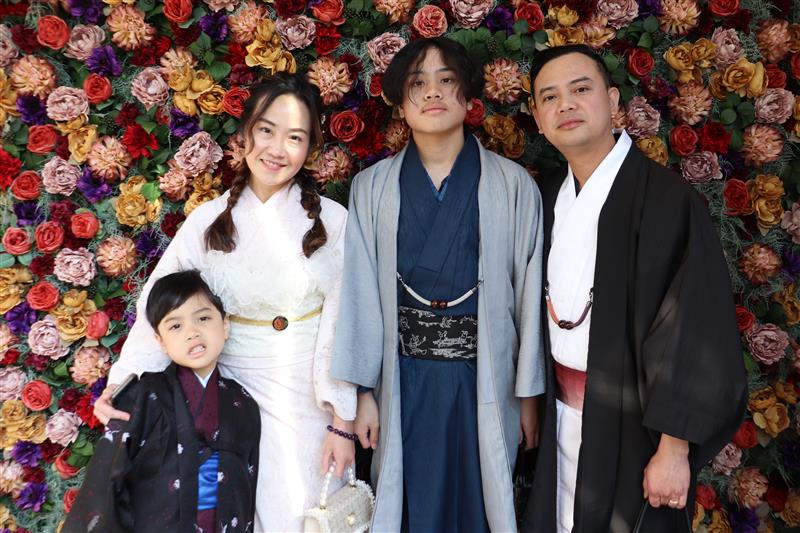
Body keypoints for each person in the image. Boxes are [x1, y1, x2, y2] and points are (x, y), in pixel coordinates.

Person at [93, 73, 357, 531]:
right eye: (266, 130)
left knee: (305, 515)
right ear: (246, 132)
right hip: (225, 391)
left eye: (295, 137)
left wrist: (342, 420)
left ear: (311, 147)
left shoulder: (333, 221)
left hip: (306, 394)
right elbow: (160, 306)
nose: (277, 149)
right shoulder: (207, 220)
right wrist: (123, 383)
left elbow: (347, 323)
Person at [521, 44, 747, 533]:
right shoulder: (543, 198)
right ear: (537, 119)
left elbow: (695, 329)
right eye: (549, 97)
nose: (566, 105)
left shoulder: (668, 202)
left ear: (612, 100)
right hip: (560, 413)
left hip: (637, 427)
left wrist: (674, 447)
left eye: (581, 89)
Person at [330, 37, 545, 532]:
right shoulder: (371, 187)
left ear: (469, 97)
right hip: (403, 380)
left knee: (481, 499)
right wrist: (363, 393)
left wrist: (529, 396)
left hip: (485, 377)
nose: (433, 93)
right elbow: (359, 294)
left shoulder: (513, 184)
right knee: (410, 503)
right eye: (418, 83)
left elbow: (529, 295)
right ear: (400, 103)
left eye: (447, 80)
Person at [63, 270, 260, 532]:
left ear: (225, 325)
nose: (192, 332)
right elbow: (106, 485)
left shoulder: (243, 404)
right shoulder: (142, 396)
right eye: (176, 326)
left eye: (203, 318)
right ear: (160, 341)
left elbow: (246, 489)